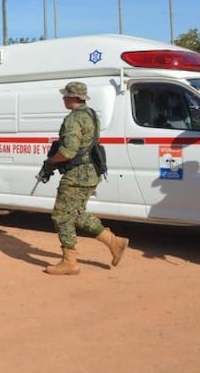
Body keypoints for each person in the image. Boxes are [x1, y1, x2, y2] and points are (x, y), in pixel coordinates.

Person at [42, 81, 128, 275]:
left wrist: (50, 162)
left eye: (65, 95)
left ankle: (69, 262)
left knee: (61, 216)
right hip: (91, 172)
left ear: (72, 97)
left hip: (77, 175)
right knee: (77, 214)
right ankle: (114, 242)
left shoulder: (73, 119)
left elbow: (68, 151)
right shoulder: (91, 114)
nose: (63, 98)